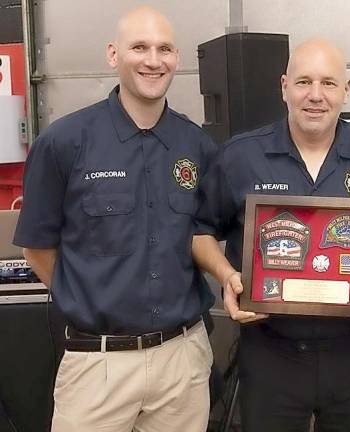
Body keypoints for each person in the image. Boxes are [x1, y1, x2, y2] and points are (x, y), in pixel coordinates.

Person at [192, 38, 350, 432]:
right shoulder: (241, 156)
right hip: (270, 353)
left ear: (346, 90)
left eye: (328, 83)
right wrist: (227, 276)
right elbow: (201, 231)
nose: (315, 95)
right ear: (283, 87)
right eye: (303, 82)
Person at [13, 6, 215, 432]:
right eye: (139, 47)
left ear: (176, 58)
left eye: (164, 49)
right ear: (112, 54)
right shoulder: (64, 143)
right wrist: (91, 298)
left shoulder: (196, 145)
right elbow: (36, 249)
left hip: (182, 364)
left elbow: (206, 234)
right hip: (97, 367)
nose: (152, 60)